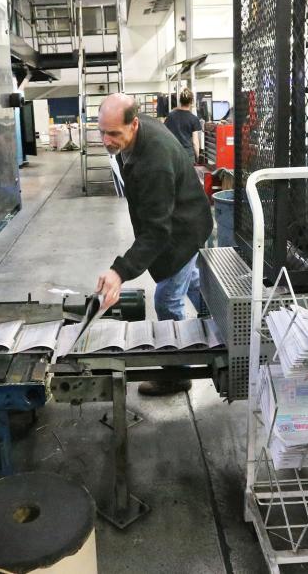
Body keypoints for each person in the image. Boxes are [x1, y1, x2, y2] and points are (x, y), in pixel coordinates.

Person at [95, 93, 213, 395]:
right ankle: (225, 325)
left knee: (166, 300)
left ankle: (177, 374)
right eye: (102, 131)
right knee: (193, 285)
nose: (106, 140)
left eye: (114, 134)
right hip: (183, 218)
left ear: (134, 124)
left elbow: (157, 232)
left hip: (182, 229)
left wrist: (120, 272)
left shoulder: (154, 163)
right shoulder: (136, 133)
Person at [163, 88, 204, 163]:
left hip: (173, 154)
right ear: (191, 102)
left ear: (180, 101)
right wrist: (197, 157)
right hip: (188, 155)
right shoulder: (194, 119)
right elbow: (195, 142)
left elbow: (165, 134)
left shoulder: (170, 116)